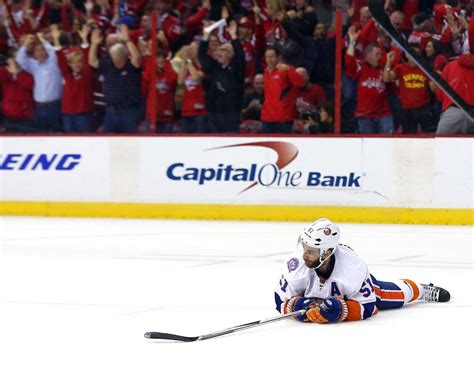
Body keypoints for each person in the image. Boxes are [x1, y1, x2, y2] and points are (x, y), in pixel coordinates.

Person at [275, 218, 450, 323]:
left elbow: (368, 306)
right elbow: (279, 299)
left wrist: (340, 311)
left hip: (352, 293)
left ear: (327, 252)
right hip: (320, 293)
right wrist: (295, 307)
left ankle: (422, 289)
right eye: (304, 247)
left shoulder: (352, 269)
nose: (304, 255)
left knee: (396, 294)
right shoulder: (296, 263)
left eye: (311, 251)